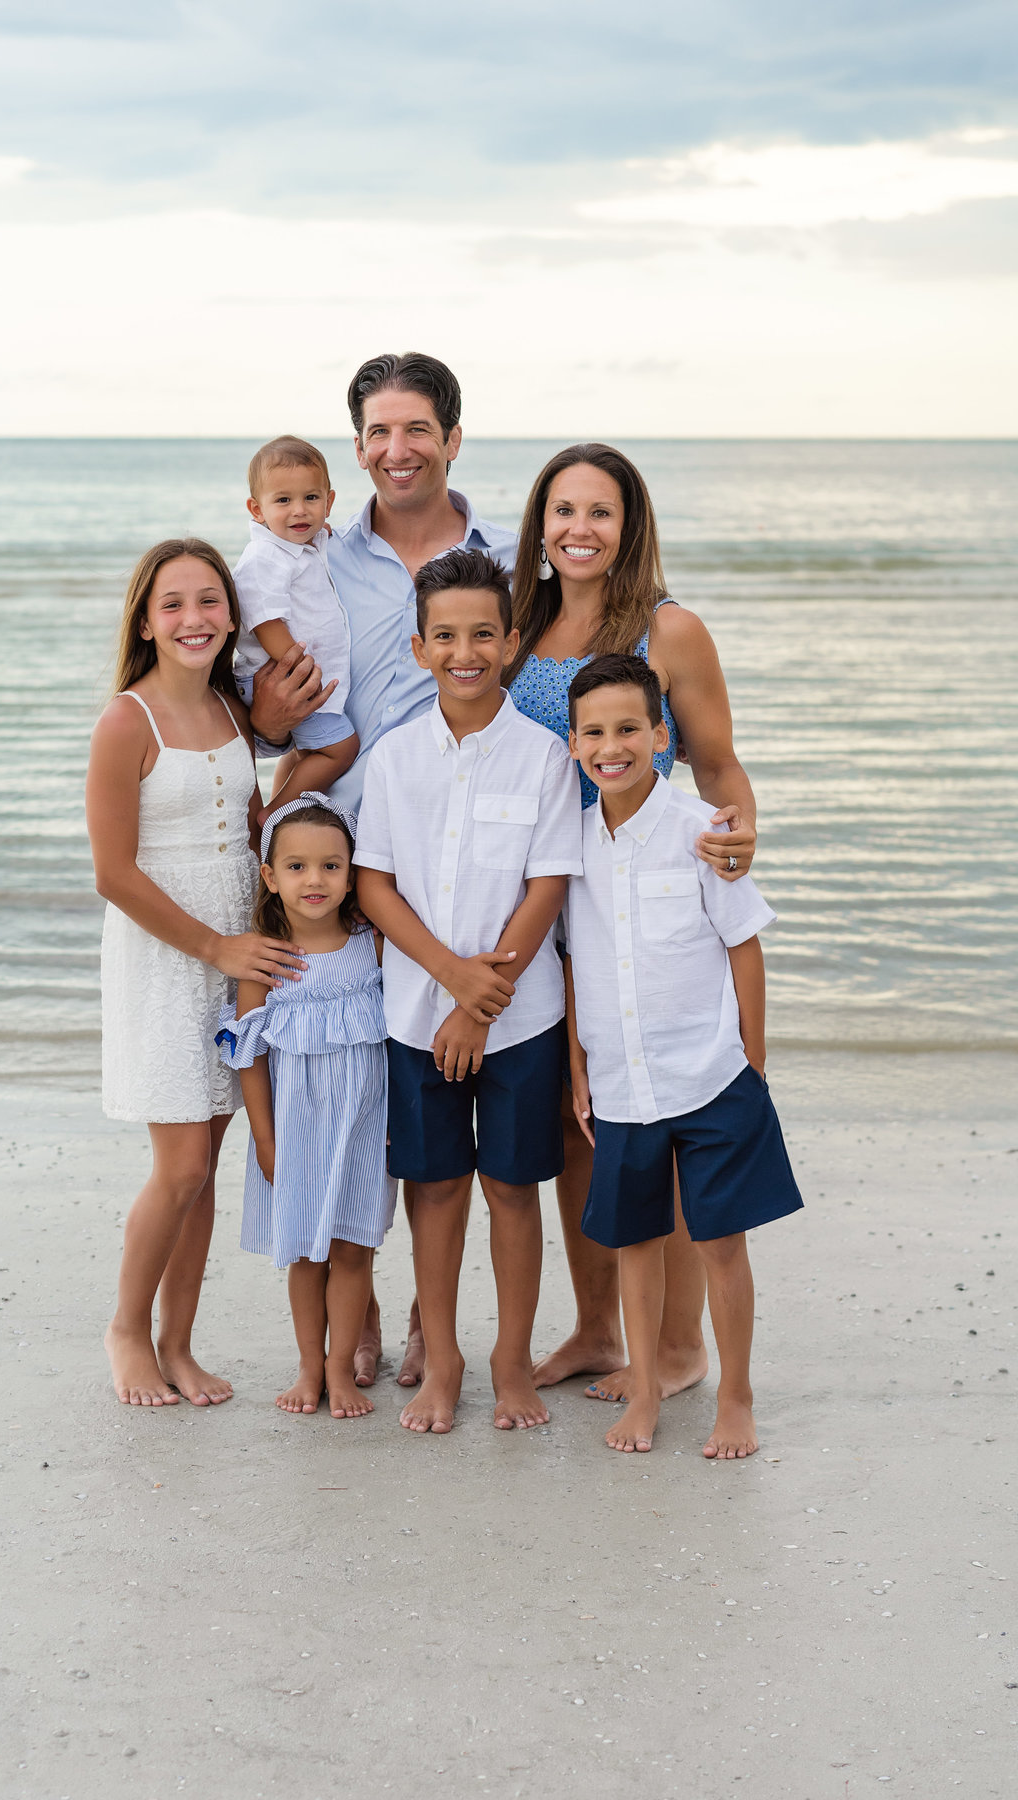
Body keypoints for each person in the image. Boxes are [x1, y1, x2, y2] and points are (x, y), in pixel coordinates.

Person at [247, 351, 516, 1388]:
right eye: (376, 433)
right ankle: (351, 1304)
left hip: (480, 871)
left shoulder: (508, 553)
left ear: (453, 437)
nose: (396, 451)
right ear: (357, 444)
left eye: (416, 430)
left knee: (453, 1116)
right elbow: (268, 701)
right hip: (354, 880)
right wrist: (265, 720)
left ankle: (421, 1310)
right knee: (362, 1097)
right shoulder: (308, 555)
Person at [505, 443, 759, 1402]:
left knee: (678, 1122)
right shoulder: (521, 623)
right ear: (539, 524)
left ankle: (683, 1346)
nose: (578, 529)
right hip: (557, 898)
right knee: (587, 1124)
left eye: (600, 512)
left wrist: (738, 842)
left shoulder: (670, 628)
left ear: (630, 525)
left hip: (649, 894)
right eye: (562, 510)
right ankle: (599, 1330)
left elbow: (718, 763)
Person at [355, 549, 582, 1433]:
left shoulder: (544, 756)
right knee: (438, 1188)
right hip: (417, 1016)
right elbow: (374, 886)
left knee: (513, 1190)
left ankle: (511, 1360)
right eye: (445, 636)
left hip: (523, 1021)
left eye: (483, 634)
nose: (465, 652)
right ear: (418, 648)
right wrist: (451, 983)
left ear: (512, 642)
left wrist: (481, 1003)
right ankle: (442, 1356)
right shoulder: (396, 758)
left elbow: (549, 886)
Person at [563, 655, 802, 1456]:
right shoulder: (572, 849)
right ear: (572, 745)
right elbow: (572, 960)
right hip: (623, 1082)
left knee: (719, 1243)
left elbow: (744, 947)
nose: (612, 745)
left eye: (629, 728)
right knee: (633, 1243)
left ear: (661, 736)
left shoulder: (702, 831)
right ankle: (644, 1388)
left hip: (709, 1073)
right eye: (594, 732)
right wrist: (577, 1063)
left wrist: (753, 1064)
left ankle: (736, 1396)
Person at [87, 539, 306, 1408]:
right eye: (173, 604)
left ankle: (180, 1343)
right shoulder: (124, 721)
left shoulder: (229, 708)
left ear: (231, 614)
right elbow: (114, 873)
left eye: (210, 601)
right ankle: (126, 1331)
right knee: (178, 1167)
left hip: (234, 952)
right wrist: (213, 949)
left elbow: (252, 828)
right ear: (146, 620)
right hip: (165, 957)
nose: (193, 619)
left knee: (206, 1160)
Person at [220, 797, 396, 1421]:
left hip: (361, 1130)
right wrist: (266, 1140)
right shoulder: (262, 961)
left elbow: (395, 1047)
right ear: (270, 876)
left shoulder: (372, 949)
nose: (314, 880)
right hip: (291, 1131)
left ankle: (342, 1368)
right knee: (305, 1252)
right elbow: (249, 1059)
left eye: (330, 866)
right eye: (296, 866)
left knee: (351, 1248)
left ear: (353, 874)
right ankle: (307, 1368)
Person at [230, 437, 358, 819]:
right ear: (257, 509)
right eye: (283, 501)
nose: (299, 511)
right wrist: (298, 669)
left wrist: (321, 532)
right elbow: (266, 620)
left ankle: (285, 804)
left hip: (299, 676)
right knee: (341, 749)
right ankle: (277, 814)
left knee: (309, 752)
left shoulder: (306, 541)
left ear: (329, 502)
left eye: (311, 499)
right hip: (286, 678)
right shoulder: (264, 557)